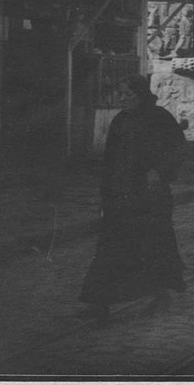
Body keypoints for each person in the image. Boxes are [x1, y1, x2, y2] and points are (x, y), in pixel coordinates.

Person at [79, 75, 186, 321]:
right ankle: (99, 303)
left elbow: (178, 147)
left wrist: (159, 169)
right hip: (120, 195)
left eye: (128, 95)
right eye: (120, 95)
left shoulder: (159, 117)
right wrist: (105, 194)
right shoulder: (120, 120)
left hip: (150, 197)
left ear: (141, 95)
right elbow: (110, 160)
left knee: (152, 245)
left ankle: (160, 295)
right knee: (110, 248)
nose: (123, 99)